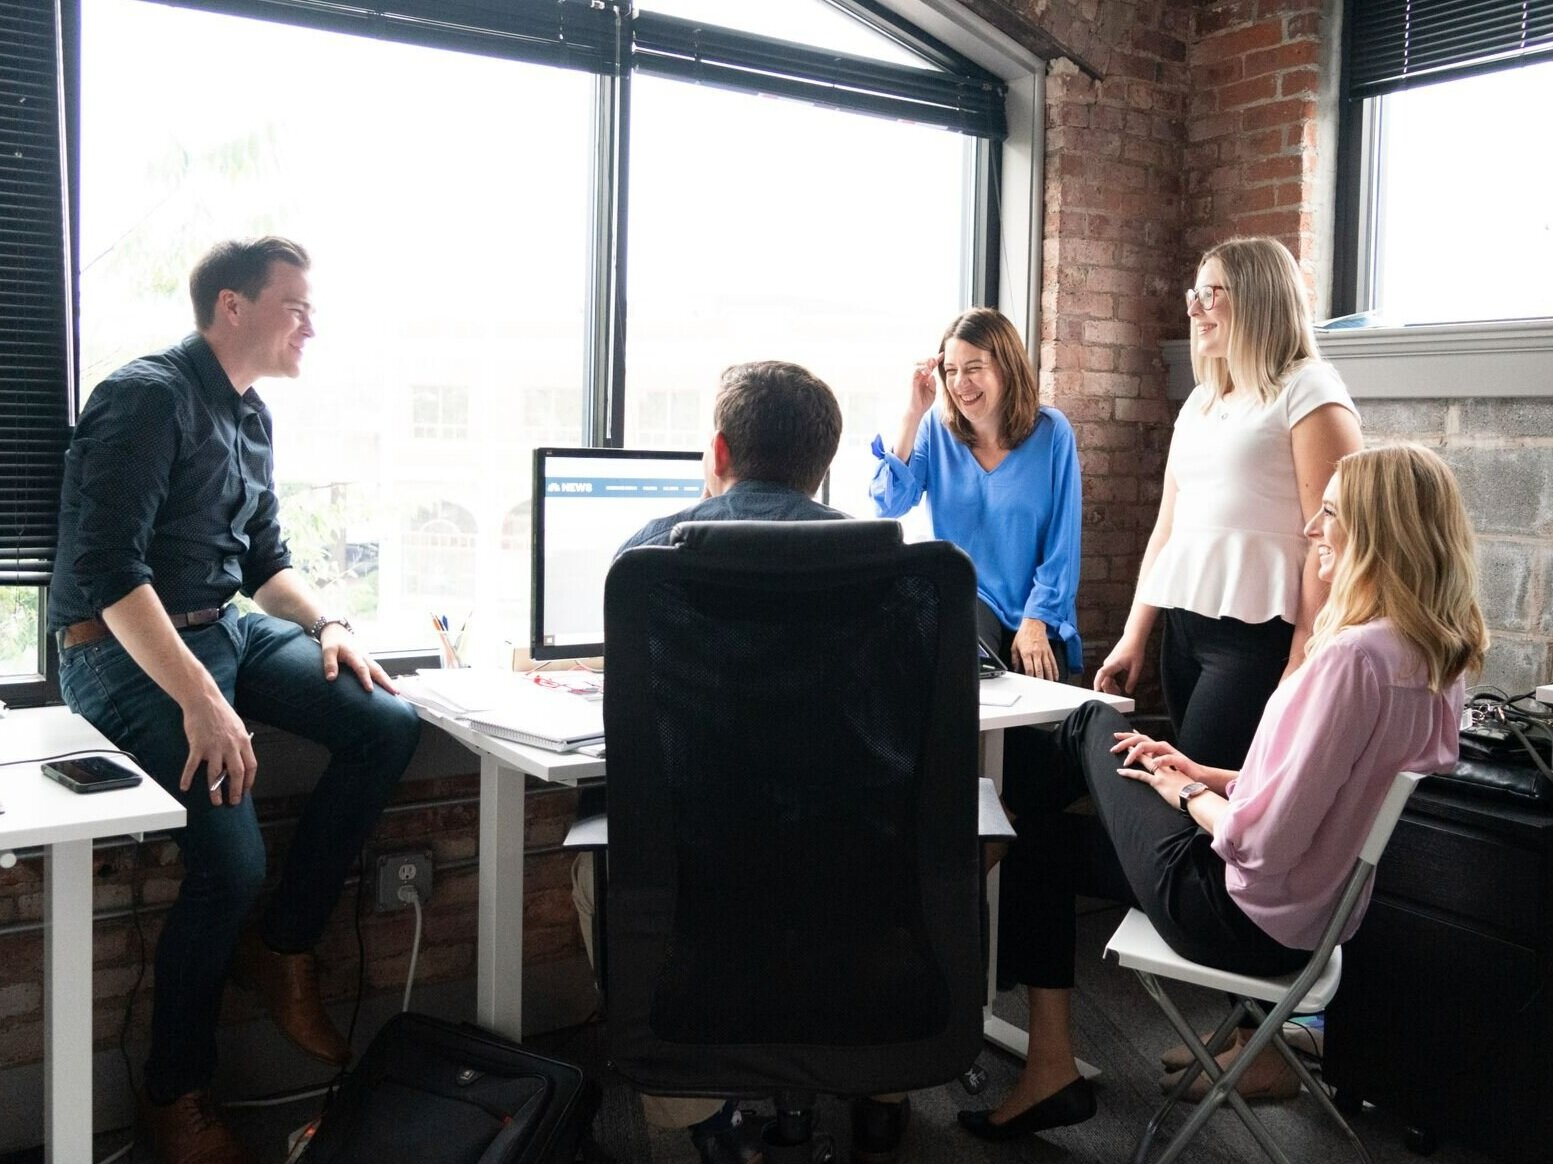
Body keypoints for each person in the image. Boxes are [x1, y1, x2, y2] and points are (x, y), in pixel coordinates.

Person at [958, 443, 1487, 1141]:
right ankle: (1046, 1063)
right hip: (1313, 928)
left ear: (1373, 531)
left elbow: (1257, 841)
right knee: (1043, 842)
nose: (1310, 529)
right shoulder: (1436, 659)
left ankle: (957, 866)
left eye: (1327, 513)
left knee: (1090, 720)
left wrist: (1178, 793)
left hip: (1237, 914)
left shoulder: (1351, 659)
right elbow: (1324, 788)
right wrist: (1204, 773)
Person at [51, 237, 422, 1164]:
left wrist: (331, 622)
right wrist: (203, 703)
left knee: (386, 721)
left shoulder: (249, 415)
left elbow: (263, 560)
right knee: (231, 862)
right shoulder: (146, 397)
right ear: (231, 306)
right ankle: (175, 1094)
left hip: (224, 627)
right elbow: (104, 576)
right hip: (124, 647)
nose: (311, 323)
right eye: (294, 304)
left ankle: (285, 949)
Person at [587, 361, 915, 1163]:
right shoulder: (882, 562)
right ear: (823, 466)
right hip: (854, 859)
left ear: (718, 451)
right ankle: (878, 1082)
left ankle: (704, 1119)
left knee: (593, 853)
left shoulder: (651, 552)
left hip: (705, 862)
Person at [1094, 238, 1363, 769]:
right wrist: (1134, 636)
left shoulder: (1309, 390)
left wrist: (1303, 654)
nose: (1193, 309)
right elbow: (1167, 530)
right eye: (1193, 294)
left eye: (1209, 295)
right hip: (1184, 628)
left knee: (1193, 788)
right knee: (1181, 791)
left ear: (1258, 298)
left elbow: (1335, 539)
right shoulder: (1201, 400)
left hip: (1259, 639)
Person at [869, 307, 1082, 680]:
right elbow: (889, 503)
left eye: (973, 368)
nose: (959, 383)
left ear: (1006, 367)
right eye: (951, 371)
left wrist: (1037, 619)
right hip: (969, 600)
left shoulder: (1051, 432)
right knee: (963, 692)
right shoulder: (936, 430)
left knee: (1040, 725)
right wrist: (913, 413)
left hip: (1036, 607)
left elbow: (1063, 543)